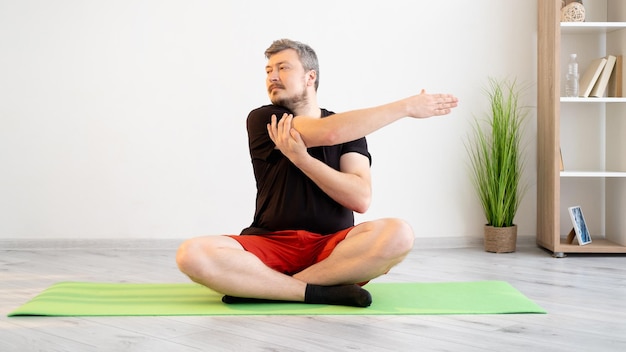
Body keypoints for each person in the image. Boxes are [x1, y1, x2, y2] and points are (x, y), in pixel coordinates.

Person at [176, 39, 458, 307]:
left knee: (399, 233)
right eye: (268, 70)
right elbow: (329, 132)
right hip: (271, 243)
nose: (272, 76)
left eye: (283, 67)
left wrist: (302, 159)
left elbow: (360, 199)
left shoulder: (352, 131)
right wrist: (406, 107)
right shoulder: (265, 118)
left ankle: (271, 289)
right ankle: (316, 292)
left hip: (335, 252)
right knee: (192, 254)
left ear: (310, 77)